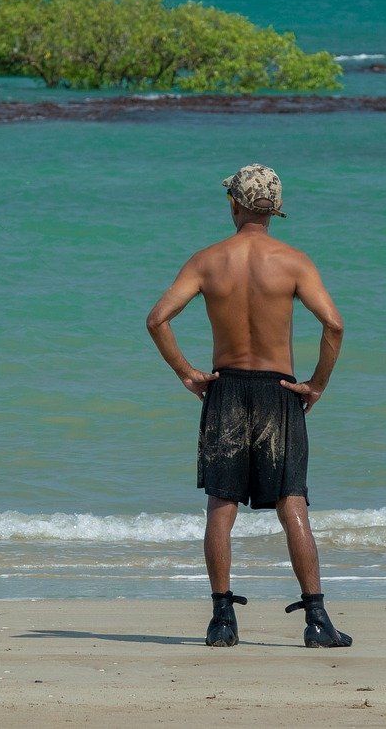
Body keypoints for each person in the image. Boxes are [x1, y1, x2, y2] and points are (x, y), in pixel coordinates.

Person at [146, 164, 352, 649]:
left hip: (227, 389)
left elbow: (157, 320)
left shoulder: (207, 261)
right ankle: (317, 619)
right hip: (279, 391)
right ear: (274, 210)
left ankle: (221, 620)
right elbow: (335, 326)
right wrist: (317, 384)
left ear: (234, 205)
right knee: (292, 503)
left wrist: (186, 372)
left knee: (222, 505)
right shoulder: (294, 262)